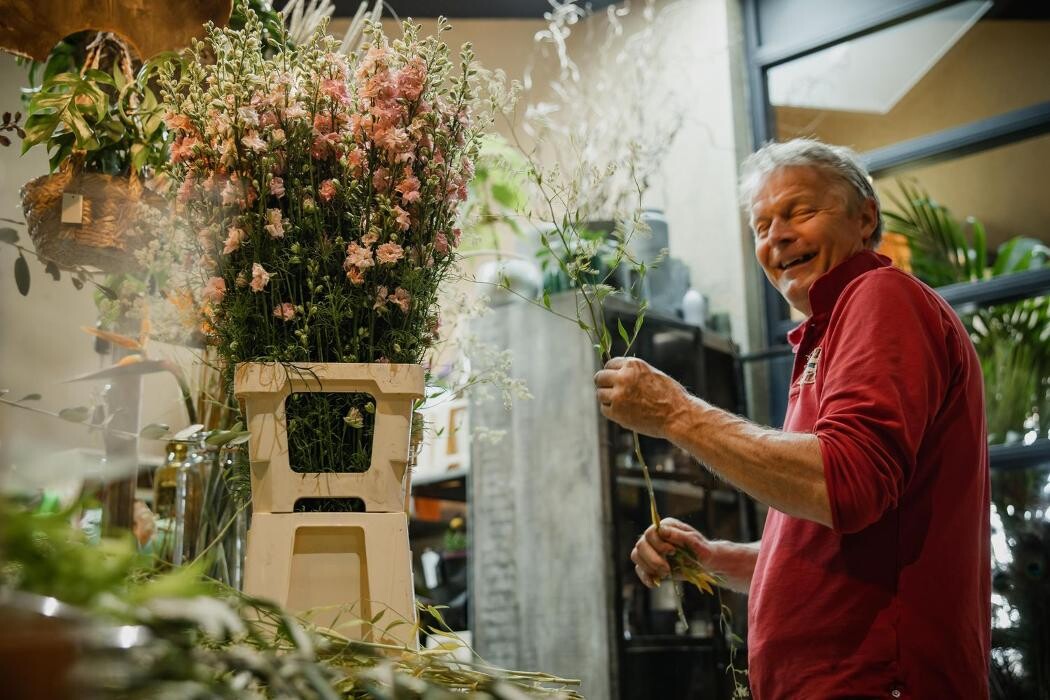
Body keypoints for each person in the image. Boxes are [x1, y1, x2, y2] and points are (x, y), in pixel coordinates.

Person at [594, 138, 990, 698]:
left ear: (865, 218)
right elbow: (839, 544)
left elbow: (846, 486)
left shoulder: (879, 296)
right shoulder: (828, 333)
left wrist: (676, 414)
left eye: (799, 211)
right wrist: (717, 559)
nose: (776, 236)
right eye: (761, 225)